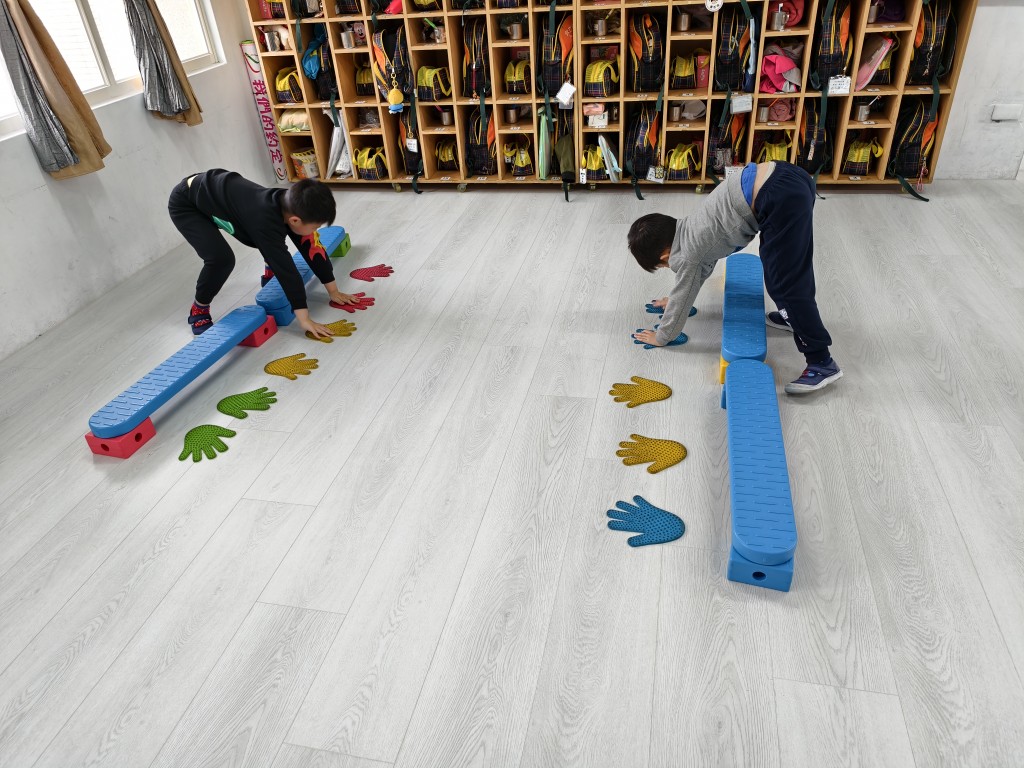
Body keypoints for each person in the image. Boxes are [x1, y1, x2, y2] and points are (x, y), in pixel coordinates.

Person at [627, 160, 842, 394]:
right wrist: (674, 299)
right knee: (792, 267)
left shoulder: (688, 254)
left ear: (665, 255)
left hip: (778, 196)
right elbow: (696, 273)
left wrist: (662, 336)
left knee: (784, 284)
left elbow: (687, 282)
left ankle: (821, 362)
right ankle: (792, 317)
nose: (672, 268)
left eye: (665, 265)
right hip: (784, 174)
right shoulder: (689, 227)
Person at [168, 168, 358, 338]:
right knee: (221, 259)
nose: (316, 230)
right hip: (188, 204)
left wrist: (333, 291)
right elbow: (286, 270)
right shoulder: (265, 220)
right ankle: (199, 309)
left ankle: (269, 267)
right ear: (295, 220)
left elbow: (312, 248)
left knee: (276, 239)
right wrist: (305, 319)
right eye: (315, 226)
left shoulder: (291, 202)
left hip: (216, 194)